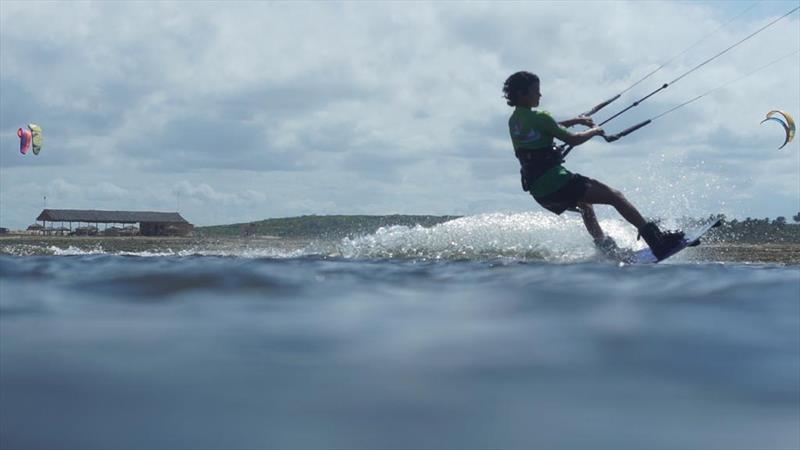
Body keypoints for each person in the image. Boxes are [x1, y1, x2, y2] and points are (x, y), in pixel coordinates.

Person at [502, 71, 684, 259]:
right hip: (556, 182)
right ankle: (657, 241)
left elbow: (544, 126)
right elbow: (572, 139)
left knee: (585, 205)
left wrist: (574, 120)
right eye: (535, 91)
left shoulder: (514, 121)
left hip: (539, 191)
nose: (540, 95)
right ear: (522, 94)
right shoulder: (540, 117)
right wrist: (594, 131)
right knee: (616, 196)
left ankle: (605, 248)